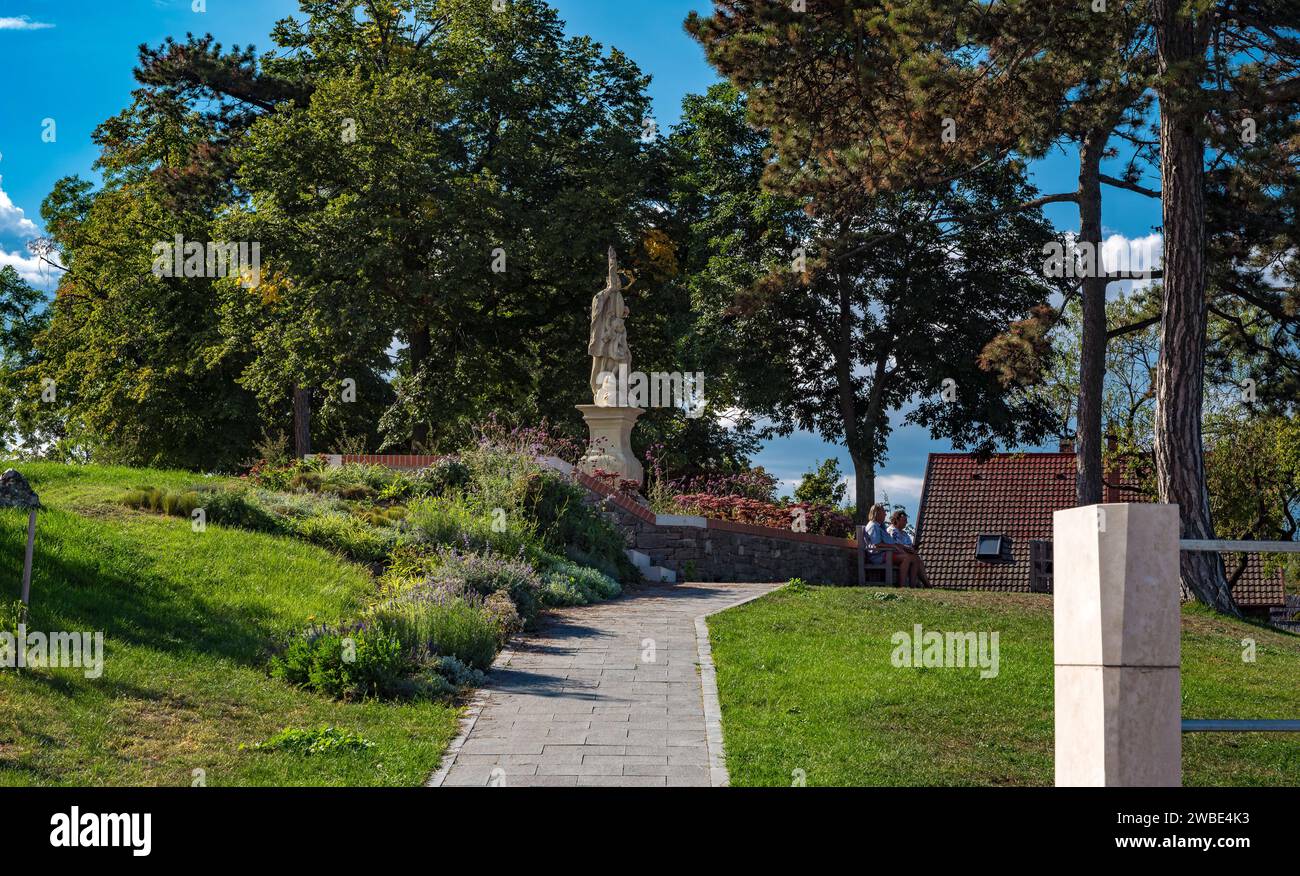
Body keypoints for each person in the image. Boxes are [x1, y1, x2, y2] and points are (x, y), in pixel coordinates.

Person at [864, 503, 914, 586]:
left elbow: (888, 541)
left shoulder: (880, 525)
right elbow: (877, 544)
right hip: (879, 556)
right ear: (878, 513)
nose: (885, 514)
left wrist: (900, 546)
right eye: (884, 512)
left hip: (887, 553)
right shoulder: (873, 526)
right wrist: (893, 546)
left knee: (914, 558)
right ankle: (902, 585)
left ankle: (913, 585)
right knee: (906, 558)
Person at [887, 509, 930, 588]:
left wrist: (913, 548)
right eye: (904, 520)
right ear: (897, 520)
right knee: (915, 558)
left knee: (917, 559)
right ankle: (921, 585)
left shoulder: (904, 533)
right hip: (896, 555)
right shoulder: (892, 531)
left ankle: (920, 584)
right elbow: (896, 545)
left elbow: (909, 545)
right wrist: (908, 549)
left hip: (907, 554)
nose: (906, 523)